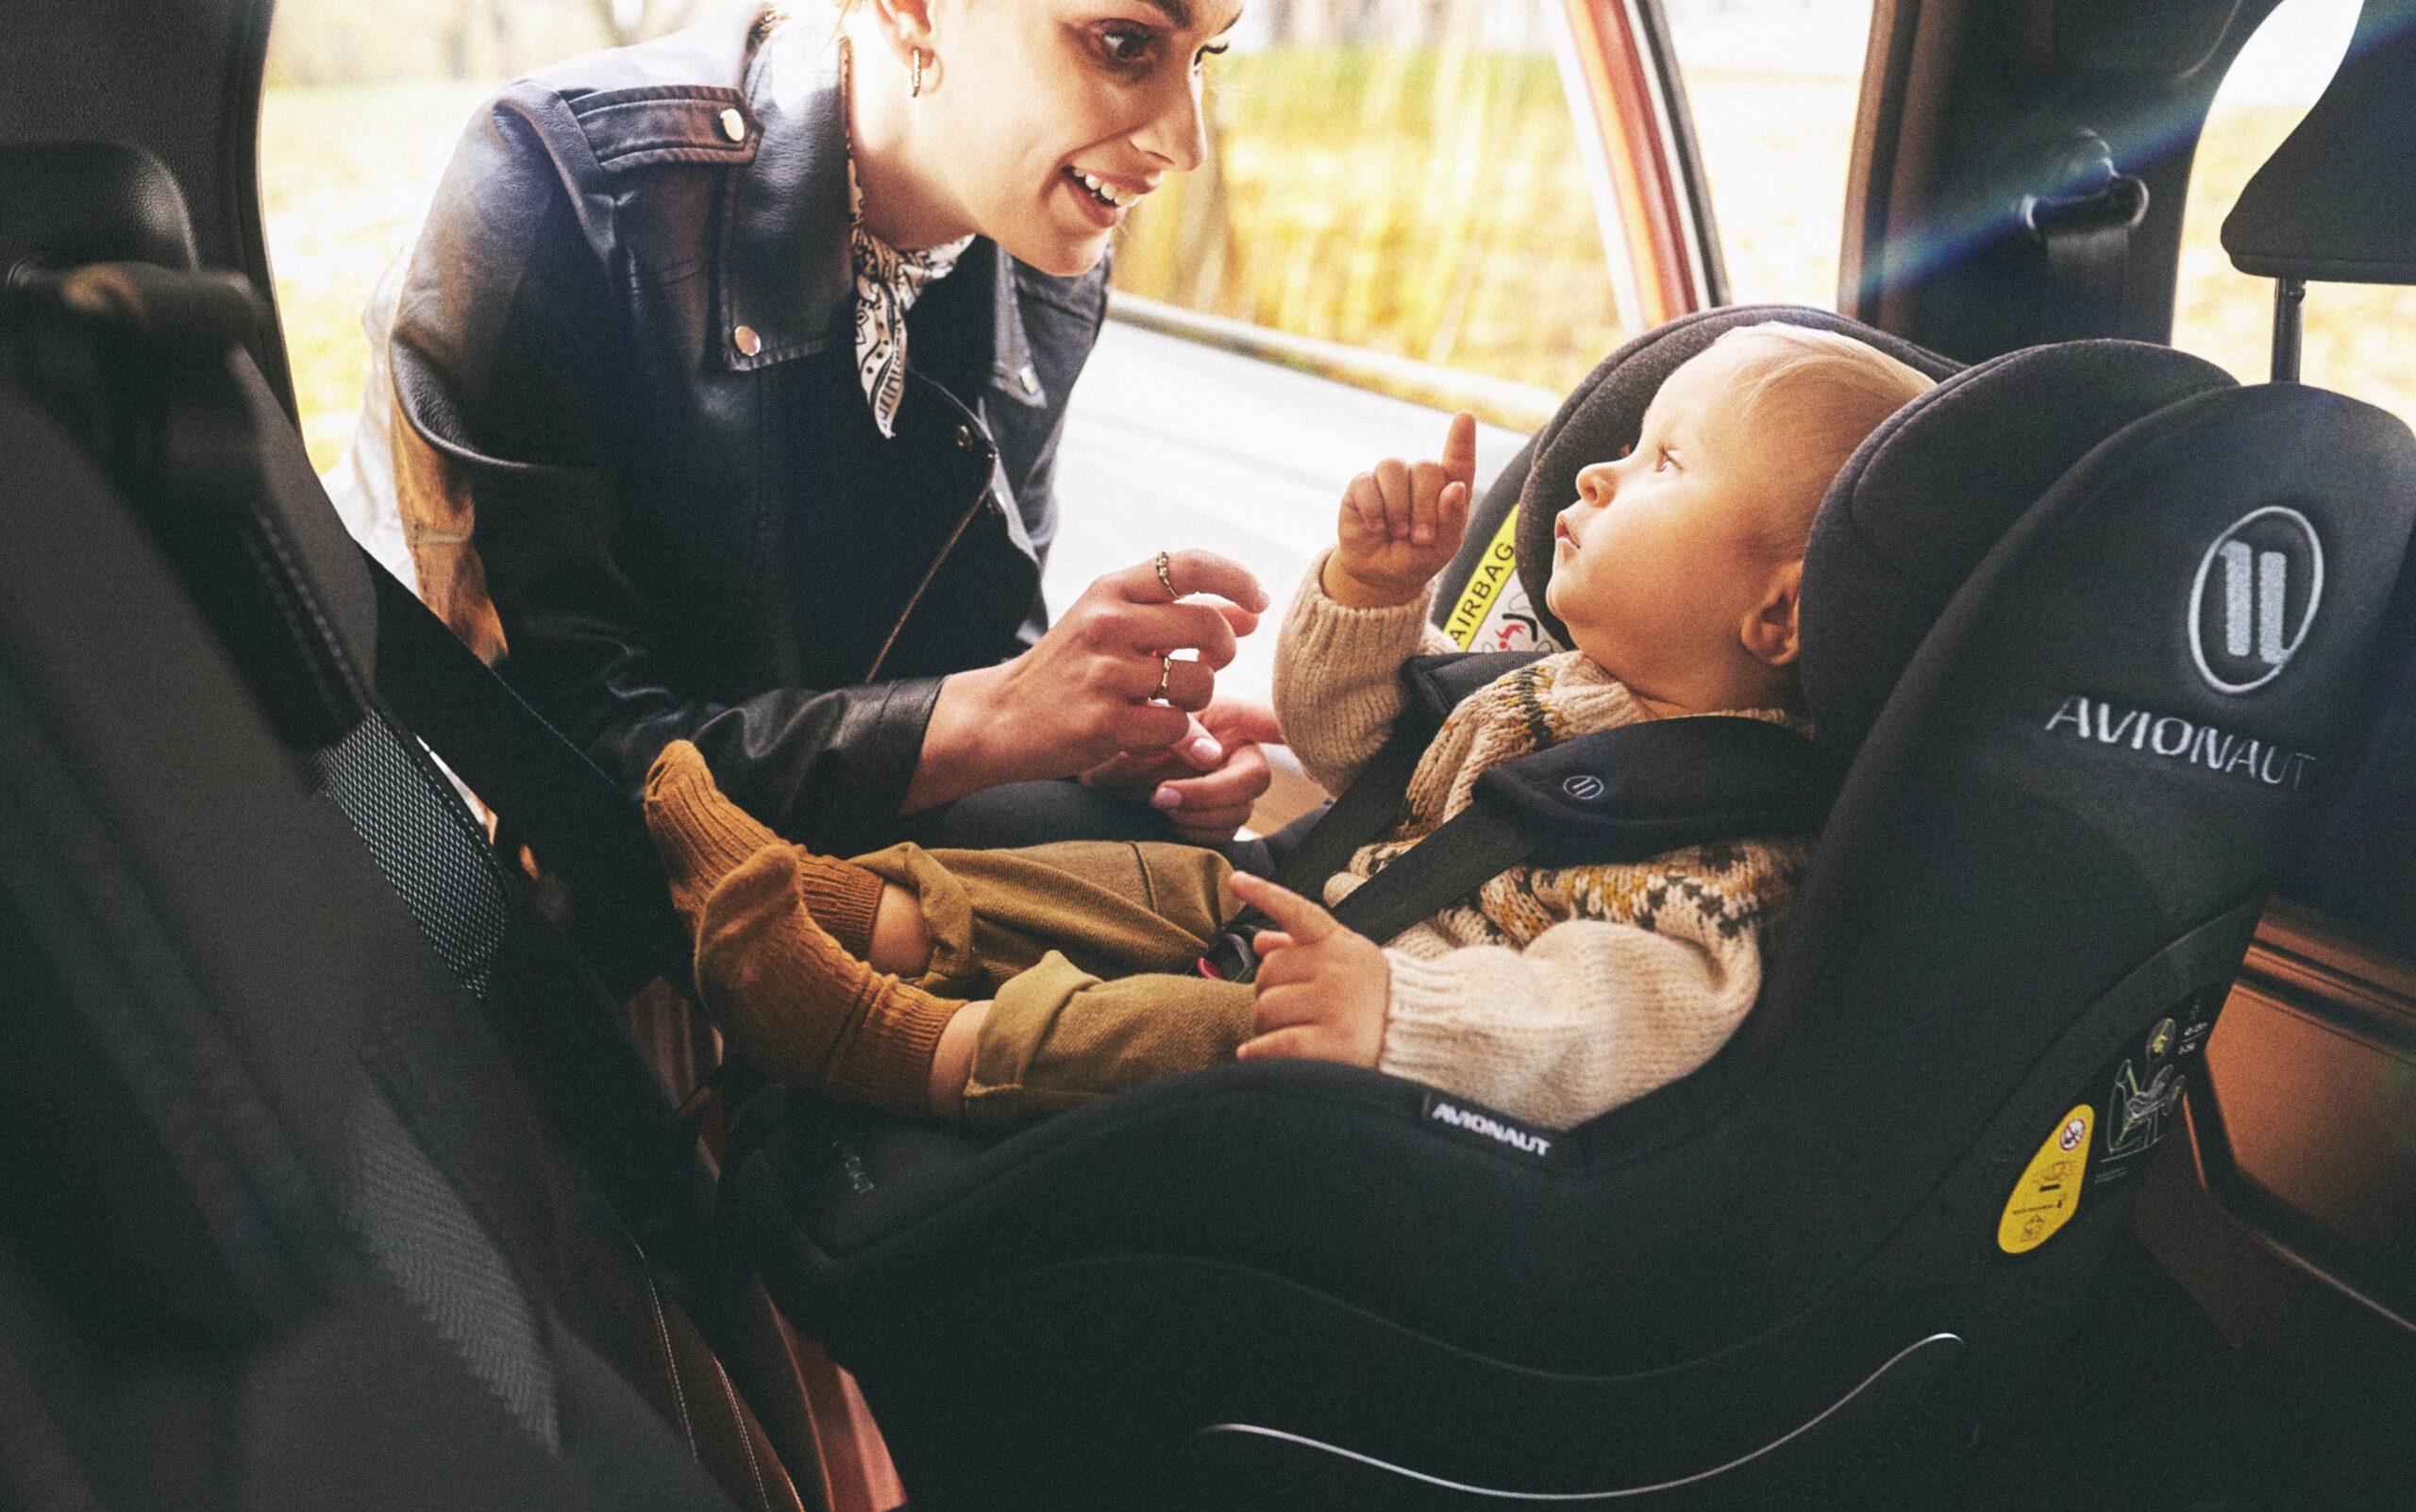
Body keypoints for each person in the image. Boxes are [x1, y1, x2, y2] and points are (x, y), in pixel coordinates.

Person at [641, 324, 1935, 1130]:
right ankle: (852, 904)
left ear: (1781, 618)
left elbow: (1588, 1032)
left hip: (1370, 1068)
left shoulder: (1721, 870)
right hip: (1306, 918)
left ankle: (901, 1044)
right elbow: (1346, 738)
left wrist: (1395, 1013)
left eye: (1663, 464)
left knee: (1202, 1026)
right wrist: (1375, 598)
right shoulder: (1549, 687)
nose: (1595, 472)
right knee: (1150, 881)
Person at [327, 0, 1276, 856]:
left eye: (1205, 56)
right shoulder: (566, 186)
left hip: (823, 852)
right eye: (1125, 44)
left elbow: (979, 647)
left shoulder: (1044, 261)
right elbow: (547, 763)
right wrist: (992, 722)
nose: (1185, 144)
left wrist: (1096, 742)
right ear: (913, 9)